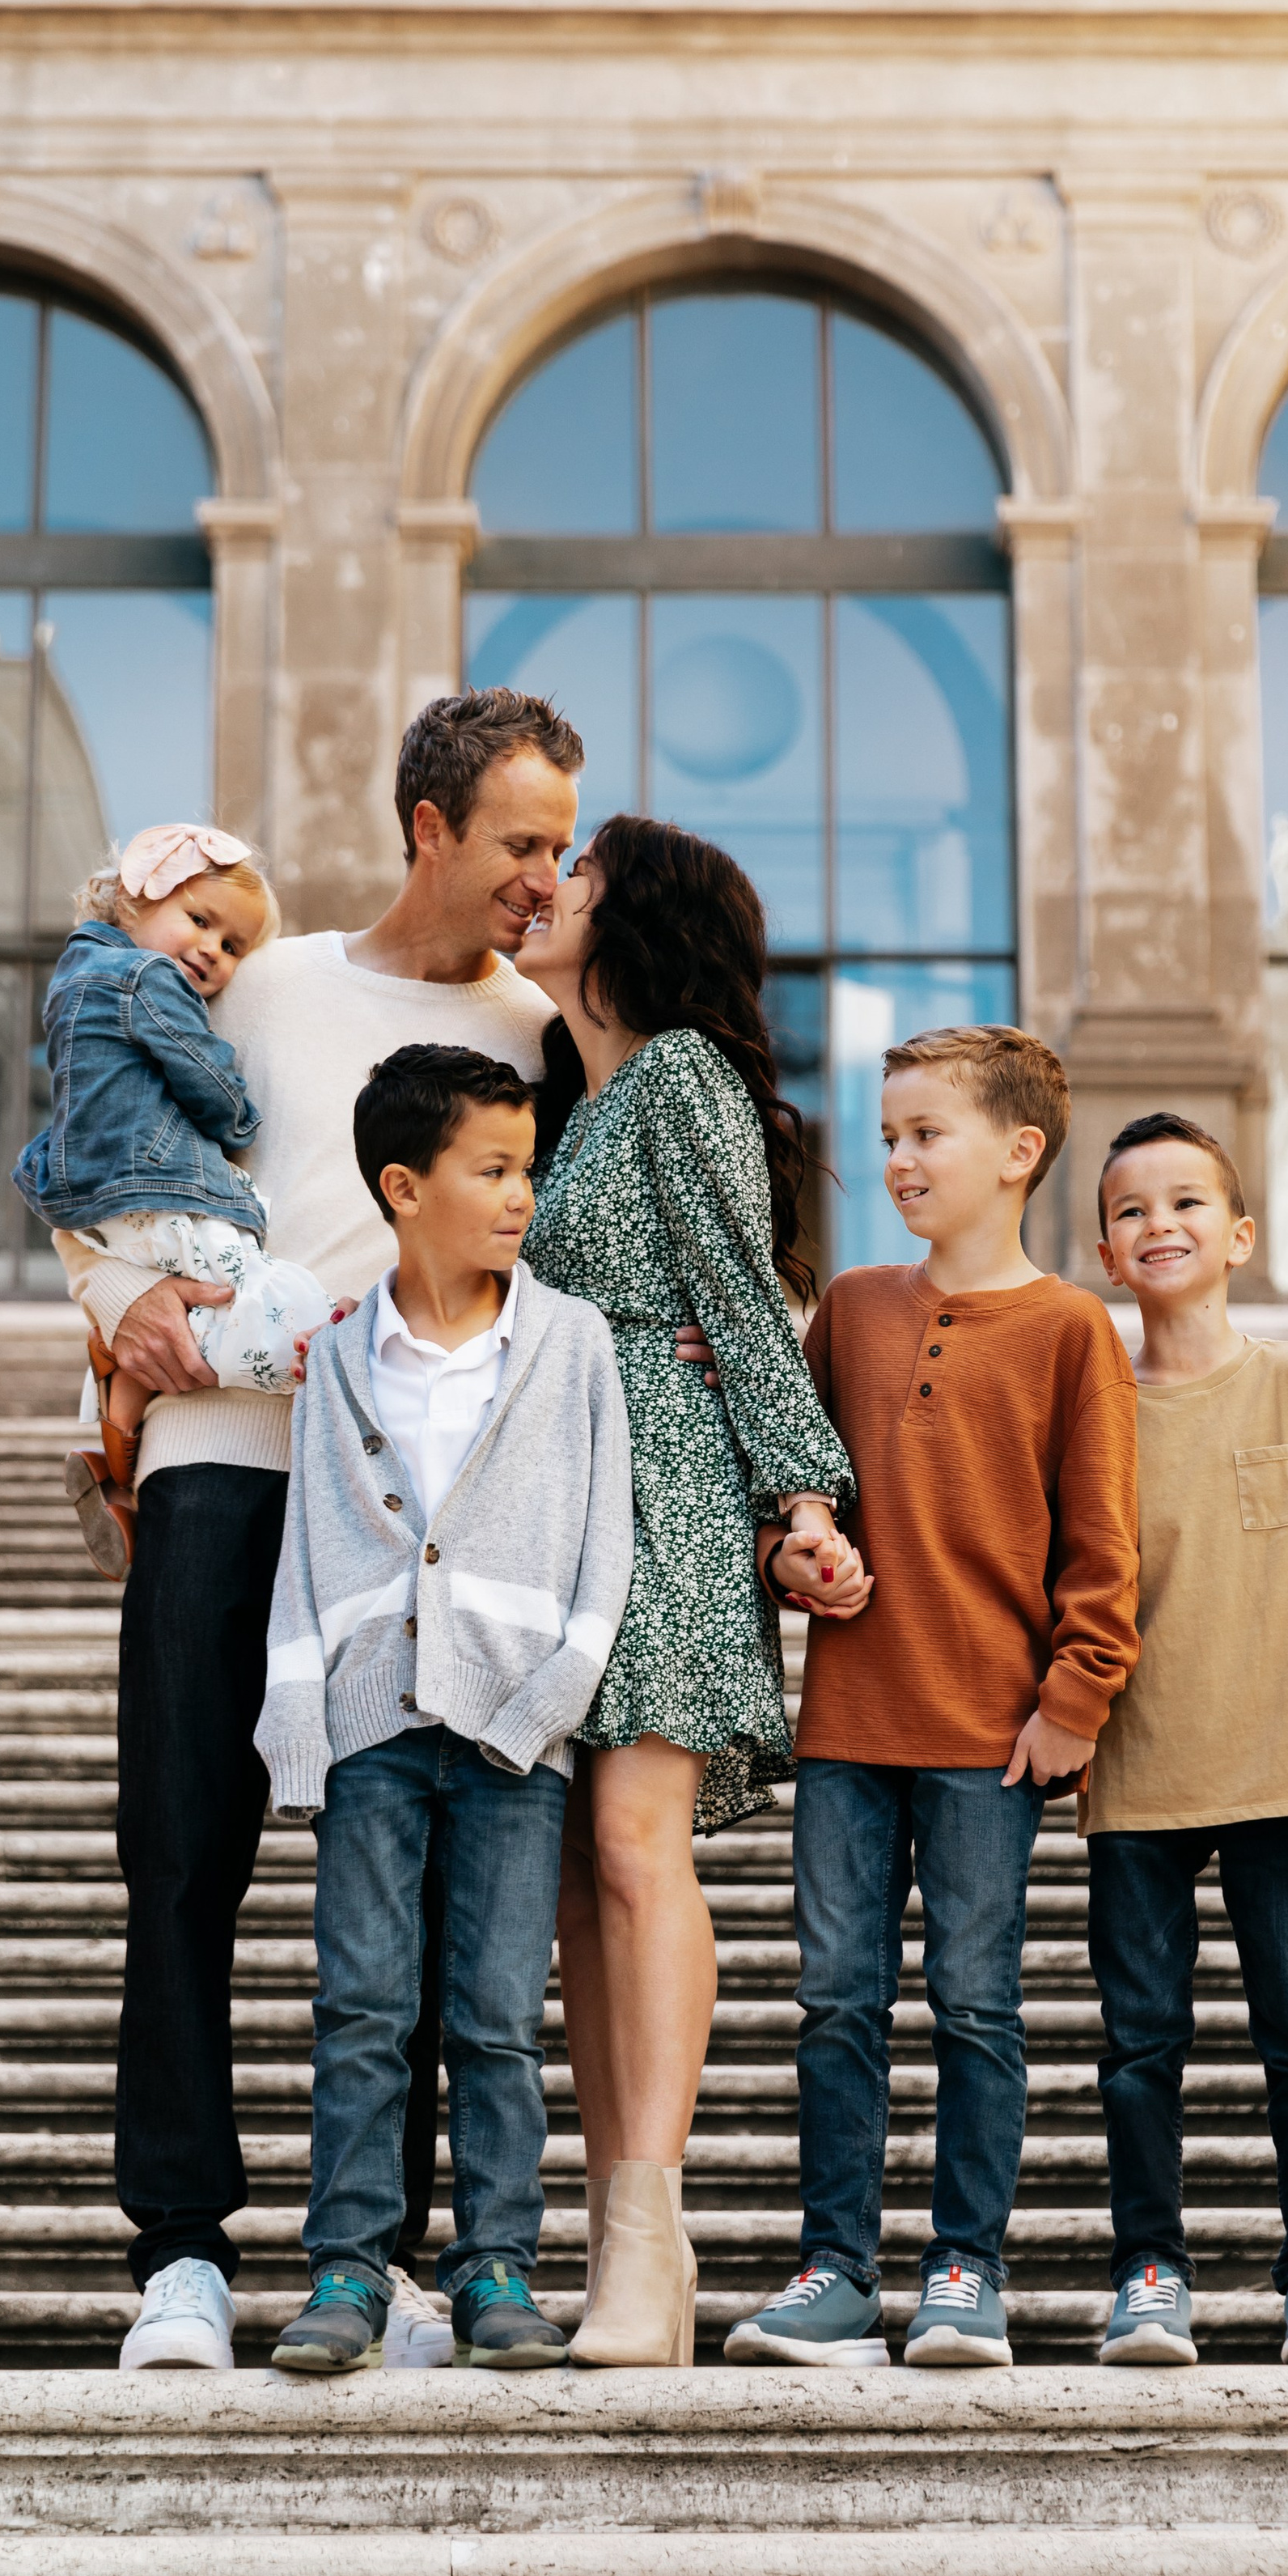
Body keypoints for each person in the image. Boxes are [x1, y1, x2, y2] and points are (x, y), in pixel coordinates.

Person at [69, 689, 581, 2375]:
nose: (541, 877)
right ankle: (183, 2254)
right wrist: (124, 1305)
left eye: (559, 847)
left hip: (422, 1508)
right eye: (519, 842)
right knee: (185, 1850)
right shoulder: (262, 987)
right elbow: (113, 1164)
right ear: (426, 827)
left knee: (419, 1890)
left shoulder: (541, 1033)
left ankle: (396, 2258)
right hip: (229, 1461)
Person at [727, 1027, 1140, 2373]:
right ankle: (835, 2272)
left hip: (988, 1740)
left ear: (1019, 1154)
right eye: (890, 1134)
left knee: (977, 2006)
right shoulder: (850, 1307)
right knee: (837, 2003)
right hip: (848, 1729)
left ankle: (966, 2268)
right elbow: (798, 1498)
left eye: (927, 1135)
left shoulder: (1072, 1328)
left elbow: (1103, 1542)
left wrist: (1077, 1697)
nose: (897, 1158)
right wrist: (794, 1553)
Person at [516, 816, 861, 2369]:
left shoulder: (681, 1079)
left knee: (638, 1850)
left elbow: (742, 1280)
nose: (543, 895)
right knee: (586, 1879)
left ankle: (649, 2241)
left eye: (571, 877)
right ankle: (614, 2223)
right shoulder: (567, 1110)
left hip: (665, 1487)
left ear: (632, 915)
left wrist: (804, 1498)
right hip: (556, 1498)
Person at [253, 1046, 634, 2374]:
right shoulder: (343, 1357)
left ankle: (496, 2270)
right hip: (370, 1730)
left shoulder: (570, 1341)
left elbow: (605, 1545)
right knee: (363, 2005)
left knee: (488, 2014)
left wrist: (553, 1700)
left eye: (528, 1167)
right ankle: (351, 2271)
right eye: (494, 1169)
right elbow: (308, 1550)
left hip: (512, 1728)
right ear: (405, 1188)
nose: (522, 1194)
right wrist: (299, 1725)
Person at [1087, 1112, 1288, 2369]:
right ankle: (1150, 2271)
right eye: (1135, 1210)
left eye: (1188, 1204)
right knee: (1141, 2046)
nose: (1163, 1226)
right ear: (1104, 1251)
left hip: (1278, 1769)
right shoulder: (1094, 1403)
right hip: (1139, 1769)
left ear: (1240, 1235)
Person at [14, 825, 331, 1581]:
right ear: (137, 893)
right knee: (253, 1297)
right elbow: (204, 1073)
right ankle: (328, 1356)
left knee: (170, 1323)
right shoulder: (145, 982)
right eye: (200, 921)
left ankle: (113, 1460)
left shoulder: (72, 976)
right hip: (157, 1188)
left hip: (96, 1201)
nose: (212, 953)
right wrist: (241, 1121)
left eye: (233, 947)